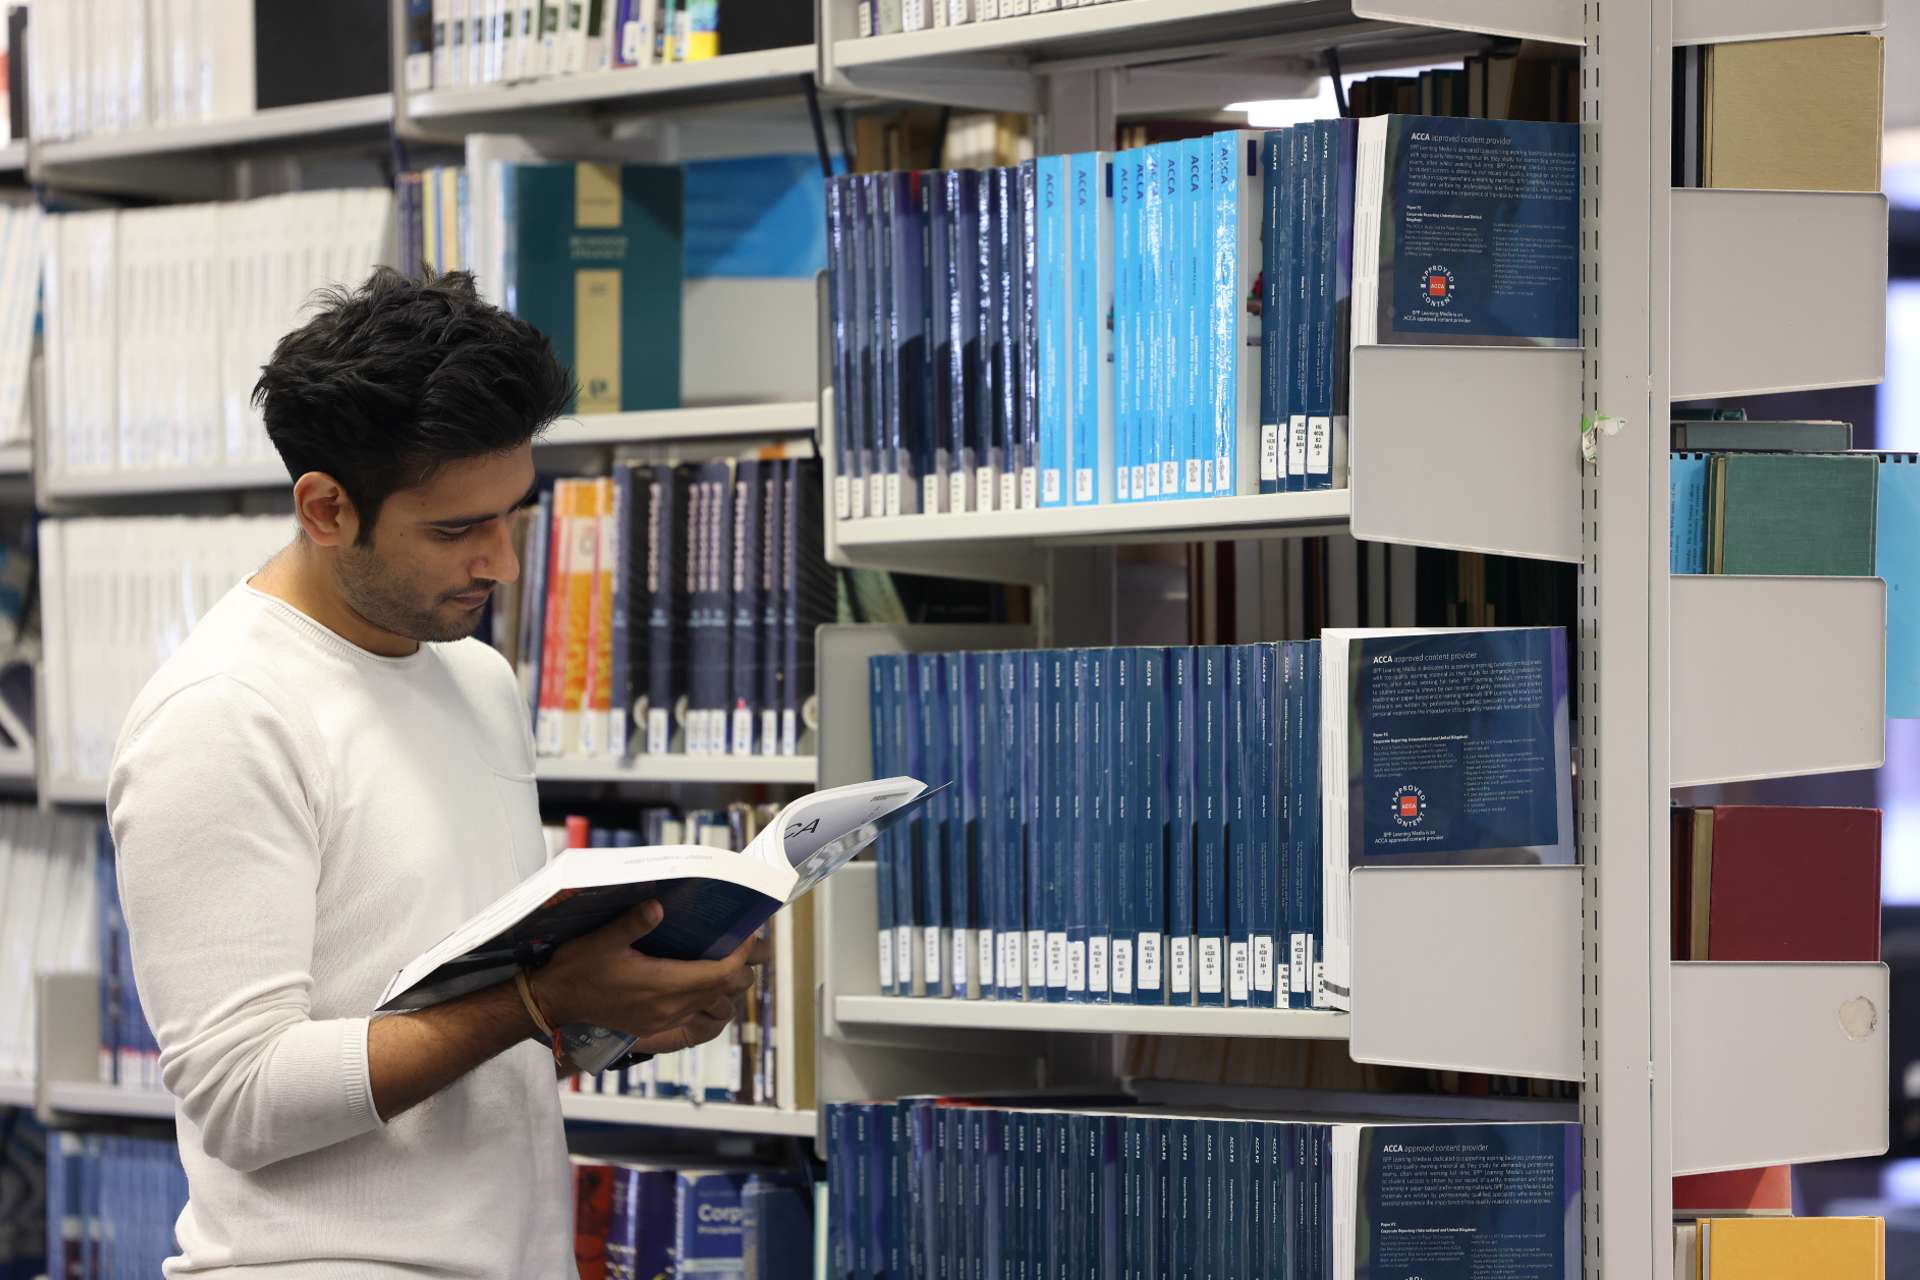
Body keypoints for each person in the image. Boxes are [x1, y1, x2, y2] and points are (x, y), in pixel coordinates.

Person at [107, 268, 764, 1277]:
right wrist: (538, 1004)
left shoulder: (478, 679)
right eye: (457, 529)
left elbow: (461, 1016)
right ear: (326, 508)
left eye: (512, 514)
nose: (500, 561)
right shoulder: (224, 714)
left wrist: (622, 1012)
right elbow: (241, 1096)